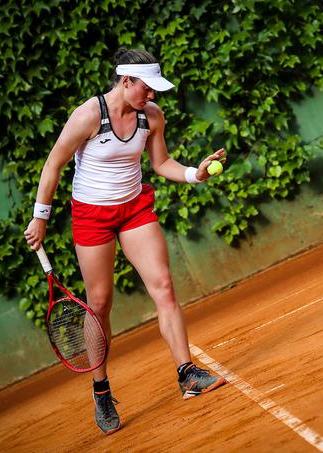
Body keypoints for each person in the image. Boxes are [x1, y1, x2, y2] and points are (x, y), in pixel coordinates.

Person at [24, 48, 227, 435]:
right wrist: (41, 216)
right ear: (126, 81)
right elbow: (54, 164)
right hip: (92, 218)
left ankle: (187, 374)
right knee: (99, 304)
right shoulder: (88, 115)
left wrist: (194, 174)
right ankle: (101, 390)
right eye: (147, 89)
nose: (152, 97)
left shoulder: (151, 116)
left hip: (134, 208)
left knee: (163, 286)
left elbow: (160, 163)